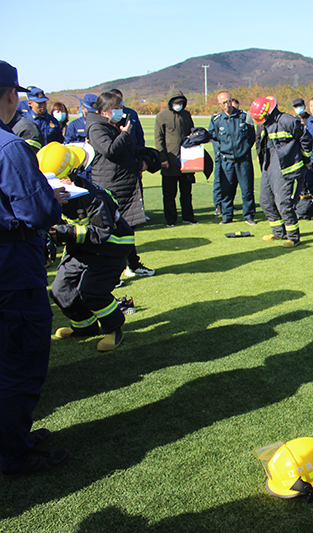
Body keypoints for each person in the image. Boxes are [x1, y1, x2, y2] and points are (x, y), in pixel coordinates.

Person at [0, 60, 69, 480]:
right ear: (10, 96)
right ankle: (13, 453)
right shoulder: (9, 148)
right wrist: (54, 198)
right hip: (12, 269)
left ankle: (13, 440)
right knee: (20, 365)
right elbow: (39, 210)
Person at [39, 143, 134, 352]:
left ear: (68, 177)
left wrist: (64, 233)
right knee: (60, 291)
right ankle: (85, 326)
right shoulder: (58, 195)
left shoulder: (94, 197)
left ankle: (114, 328)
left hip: (109, 249)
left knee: (92, 290)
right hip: (81, 249)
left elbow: (102, 232)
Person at [86, 91, 153, 277]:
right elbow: (109, 150)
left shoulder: (114, 125)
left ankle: (132, 264)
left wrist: (143, 160)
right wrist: (124, 134)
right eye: (116, 107)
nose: (120, 111)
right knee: (112, 230)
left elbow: (129, 149)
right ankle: (113, 272)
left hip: (126, 183)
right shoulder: (96, 128)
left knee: (127, 227)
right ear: (105, 110)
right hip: (111, 184)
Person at [252, 96, 313, 248]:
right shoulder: (264, 124)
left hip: (285, 167)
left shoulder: (286, 121)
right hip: (268, 166)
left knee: (283, 202)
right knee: (265, 201)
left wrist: (306, 161)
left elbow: (306, 138)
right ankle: (278, 232)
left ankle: (293, 236)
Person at [209, 91, 256, 225]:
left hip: (243, 160)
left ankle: (248, 215)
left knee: (247, 190)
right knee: (227, 190)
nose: (227, 104)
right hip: (227, 160)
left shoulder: (244, 116)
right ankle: (227, 216)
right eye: (224, 102)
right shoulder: (217, 120)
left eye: (228, 101)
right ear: (219, 104)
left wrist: (244, 149)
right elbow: (215, 139)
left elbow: (251, 137)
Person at [155, 89, 196, 226]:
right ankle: (171, 219)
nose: (178, 104)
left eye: (180, 102)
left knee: (186, 192)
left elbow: (192, 133)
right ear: (170, 102)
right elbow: (158, 138)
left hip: (186, 160)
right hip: (170, 161)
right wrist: (163, 158)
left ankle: (188, 217)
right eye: (175, 101)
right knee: (169, 193)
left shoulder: (186, 115)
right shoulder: (162, 116)